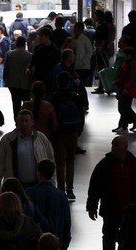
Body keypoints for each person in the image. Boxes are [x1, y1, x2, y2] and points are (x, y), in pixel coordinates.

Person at [86, 135, 136, 250]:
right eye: (112, 144)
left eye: (116, 145)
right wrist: (92, 206)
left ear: (125, 148)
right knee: (108, 235)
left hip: (130, 212)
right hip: (111, 210)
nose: (113, 147)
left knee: (126, 238)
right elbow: (95, 187)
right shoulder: (104, 165)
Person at [0, 109, 55, 196]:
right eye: (21, 121)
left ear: (32, 122)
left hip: (38, 184)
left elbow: (50, 161)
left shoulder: (41, 138)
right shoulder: (7, 140)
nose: (24, 124)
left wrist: (51, 183)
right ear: (17, 122)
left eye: (26, 121)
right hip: (16, 186)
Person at [46, 71, 84, 199]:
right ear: (69, 82)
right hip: (72, 132)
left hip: (58, 134)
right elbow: (81, 115)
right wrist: (78, 131)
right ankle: (70, 189)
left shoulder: (53, 98)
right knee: (71, 161)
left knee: (60, 162)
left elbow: (51, 118)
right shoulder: (75, 96)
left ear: (57, 82)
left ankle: (61, 189)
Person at [26, 159, 72, 250]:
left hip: (34, 241)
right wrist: (65, 242)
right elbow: (66, 220)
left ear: (38, 173)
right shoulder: (61, 195)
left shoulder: (29, 193)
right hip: (55, 241)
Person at [113, 48, 136, 134]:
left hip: (128, 90)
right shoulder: (127, 63)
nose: (123, 56)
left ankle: (125, 126)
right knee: (124, 108)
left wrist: (127, 88)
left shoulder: (132, 64)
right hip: (124, 88)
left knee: (124, 108)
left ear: (129, 56)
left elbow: (132, 79)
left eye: (125, 55)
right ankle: (134, 123)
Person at [3, 36, 33, 119]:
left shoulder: (10, 54)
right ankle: (27, 120)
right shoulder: (30, 55)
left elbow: (6, 68)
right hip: (26, 83)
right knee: (27, 104)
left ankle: (17, 120)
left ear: (16, 44)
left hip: (13, 83)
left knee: (16, 104)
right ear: (25, 44)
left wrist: (5, 79)